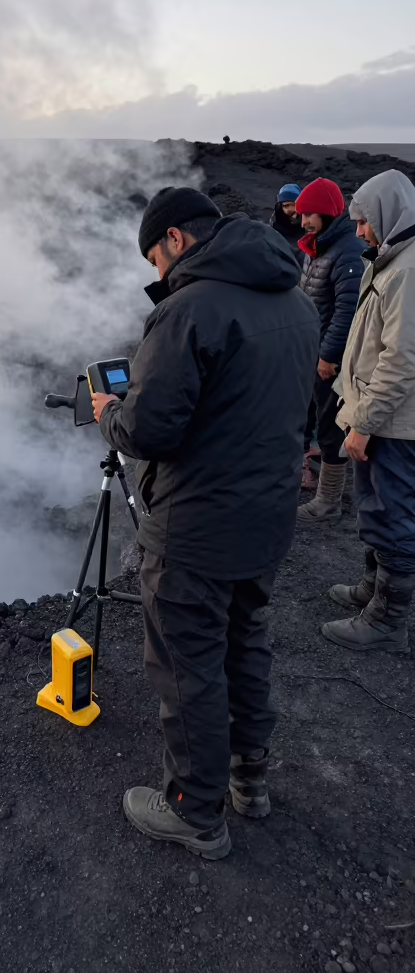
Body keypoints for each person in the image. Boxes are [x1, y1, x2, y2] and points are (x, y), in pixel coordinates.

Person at [91, 186, 319, 860]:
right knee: (244, 641)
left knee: (187, 664)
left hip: (196, 527)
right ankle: (251, 778)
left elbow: (148, 429)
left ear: (176, 241)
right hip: (266, 516)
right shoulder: (295, 298)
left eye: (154, 257)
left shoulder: (189, 311)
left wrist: (109, 409)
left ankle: (194, 809)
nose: (157, 273)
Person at [321, 169, 415, 653]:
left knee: (393, 513)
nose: (358, 231)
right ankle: (372, 588)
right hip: (382, 416)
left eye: (364, 222)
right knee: (378, 508)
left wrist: (363, 424)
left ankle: (386, 621)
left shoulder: (407, 271)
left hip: (394, 424)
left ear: (387, 215)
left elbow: (401, 361)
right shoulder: (391, 261)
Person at [295, 177, 365, 521]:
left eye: (310, 213)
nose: (303, 219)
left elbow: (346, 310)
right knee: (312, 418)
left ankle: (329, 501)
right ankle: (314, 478)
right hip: (312, 351)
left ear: (328, 212)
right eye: (302, 213)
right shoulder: (318, 246)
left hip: (329, 359)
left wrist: (328, 356)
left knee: (330, 424)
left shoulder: (346, 251)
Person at [270, 182, 303, 261]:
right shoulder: (274, 226)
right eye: (286, 205)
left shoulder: (309, 223)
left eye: (294, 204)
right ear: (280, 207)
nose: (290, 209)